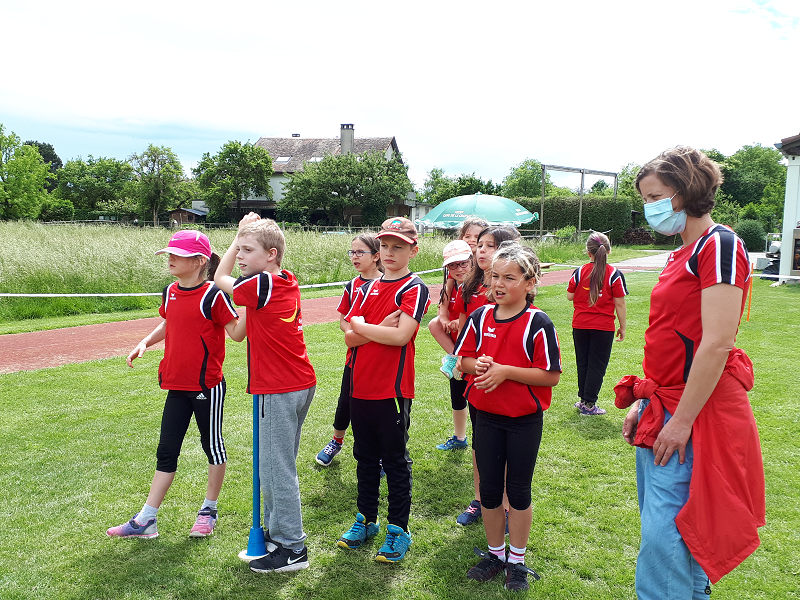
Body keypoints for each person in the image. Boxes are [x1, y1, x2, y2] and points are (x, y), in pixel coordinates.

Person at [616, 146, 765, 599]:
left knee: (666, 538)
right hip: (664, 405)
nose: (649, 207)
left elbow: (717, 342)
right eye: (645, 199)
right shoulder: (680, 252)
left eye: (655, 196)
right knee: (676, 535)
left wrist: (681, 421)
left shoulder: (719, 244)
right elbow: (669, 336)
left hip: (694, 412)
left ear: (684, 192)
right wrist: (646, 399)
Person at [107, 230, 244, 540]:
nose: (169, 259)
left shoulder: (214, 294)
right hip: (176, 386)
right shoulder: (170, 291)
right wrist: (145, 341)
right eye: (169, 253)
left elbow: (237, 333)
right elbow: (170, 321)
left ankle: (208, 510)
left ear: (199, 261)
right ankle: (146, 520)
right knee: (166, 451)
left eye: (177, 255)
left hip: (206, 387)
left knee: (212, 447)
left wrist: (252, 304)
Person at [214, 213, 317, 574]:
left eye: (247, 250)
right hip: (297, 383)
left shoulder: (260, 283)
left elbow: (219, 277)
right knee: (274, 466)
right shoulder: (284, 279)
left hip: (279, 387)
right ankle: (277, 534)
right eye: (239, 249)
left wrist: (235, 235)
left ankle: (292, 547)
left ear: (271, 254)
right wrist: (245, 237)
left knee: (276, 469)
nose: (240, 256)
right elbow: (242, 331)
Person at [455, 242, 561, 592]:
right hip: (486, 417)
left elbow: (550, 375)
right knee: (488, 488)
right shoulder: (480, 316)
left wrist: (505, 371)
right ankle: (495, 554)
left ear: (530, 283)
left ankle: (516, 560)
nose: (498, 284)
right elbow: (462, 360)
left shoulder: (538, 322)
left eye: (509, 278)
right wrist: (479, 365)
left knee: (517, 491)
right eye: (494, 276)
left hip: (522, 422)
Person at [337, 217, 431, 563]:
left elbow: (401, 336)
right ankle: (366, 520)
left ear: (413, 251)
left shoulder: (413, 288)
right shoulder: (366, 287)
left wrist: (365, 328)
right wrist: (376, 327)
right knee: (364, 457)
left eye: (398, 247)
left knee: (394, 460)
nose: (390, 253)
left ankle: (398, 529)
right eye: (385, 246)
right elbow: (349, 337)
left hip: (391, 390)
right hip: (360, 386)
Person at [455, 225, 520, 526]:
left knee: (505, 451)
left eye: (490, 245)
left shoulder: (512, 292)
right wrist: (462, 361)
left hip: (507, 384)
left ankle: (505, 505)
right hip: (477, 380)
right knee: (480, 446)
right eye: (479, 245)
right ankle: (481, 499)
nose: (481, 250)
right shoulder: (470, 286)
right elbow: (463, 334)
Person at [316, 233, 382, 467]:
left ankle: (380, 454)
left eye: (360, 252)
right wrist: (353, 333)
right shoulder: (352, 285)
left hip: (379, 360)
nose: (354, 257)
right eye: (352, 252)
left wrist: (365, 334)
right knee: (346, 402)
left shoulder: (387, 284)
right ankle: (336, 441)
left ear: (376, 256)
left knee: (377, 408)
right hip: (354, 358)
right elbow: (343, 320)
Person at [566, 231, 628, 416]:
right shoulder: (614, 274)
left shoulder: (580, 271)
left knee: (583, 362)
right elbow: (620, 303)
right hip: (603, 328)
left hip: (580, 325)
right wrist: (623, 326)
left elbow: (569, 296)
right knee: (597, 365)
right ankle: (589, 404)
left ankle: (584, 400)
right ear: (609, 251)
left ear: (588, 252)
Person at [427, 239, 474, 450]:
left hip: (473, 350)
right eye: (453, 265)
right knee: (457, 393)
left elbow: (477, 316)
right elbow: (442, 308)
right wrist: (446, 320)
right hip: (456, 346)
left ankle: (481, 440)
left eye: (463, 263)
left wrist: (458, 323)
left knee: (475, 397)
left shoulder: (478, 285)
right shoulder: (451, 283)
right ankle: (459, 437)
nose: (458, 269)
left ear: (472, 261)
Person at [434, 216, 489, 378]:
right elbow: (444, 299)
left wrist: (461, 322)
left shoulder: (484, 274)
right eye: (467, 236)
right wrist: (444, 318)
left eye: (477, 237)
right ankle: (454, 357)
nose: (472, 240)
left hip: (470, 330)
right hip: (456, 328)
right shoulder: (454, 273)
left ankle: (459, 357)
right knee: (434, 323)